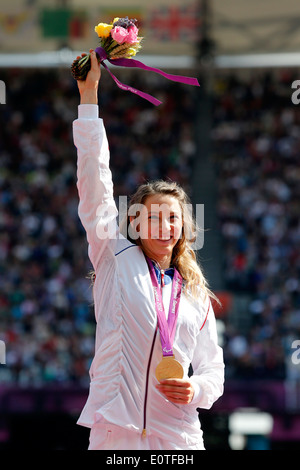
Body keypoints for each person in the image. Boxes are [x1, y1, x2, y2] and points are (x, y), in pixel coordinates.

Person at [73, 49, 224, 450]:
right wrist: (89, 101)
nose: (165, 226)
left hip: (179, 438)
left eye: (173, 218)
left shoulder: (195, 293)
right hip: (114, 435)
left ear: (184, 227)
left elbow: (213, 368)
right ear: (135, 223)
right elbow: (94, 184)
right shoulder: (113, 256)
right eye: (154, 218)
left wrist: (196, 389)